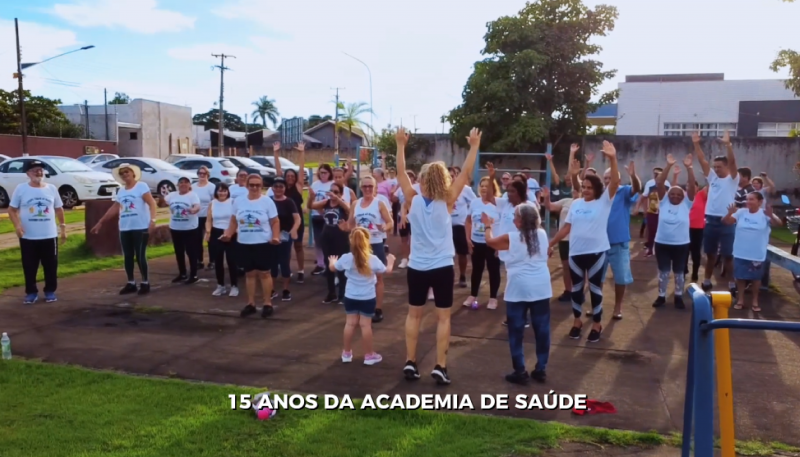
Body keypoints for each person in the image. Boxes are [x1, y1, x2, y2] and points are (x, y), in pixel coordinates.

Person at [396, 126, 480, 385]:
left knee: (414, 315)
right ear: (443, 179)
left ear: (422, 179)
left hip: (417, 267)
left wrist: (400, 145)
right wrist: (474, 146)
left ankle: (410, 361)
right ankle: (440, 366)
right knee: (443, 318)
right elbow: (465, 173)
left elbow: (401, 173)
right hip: (442, 266)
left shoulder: (412, 199)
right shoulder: (449, 199)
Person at [548, 141, 620, 343]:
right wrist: (551, 243)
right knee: (576, 289)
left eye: (590, 187)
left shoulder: (604, 201)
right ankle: (577, 321)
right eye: (584, 187)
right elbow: (566, 228)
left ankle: (596, 323)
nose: (586, 190)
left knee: (595, 289)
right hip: (575, 253)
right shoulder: (576, 204)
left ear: (597, 189)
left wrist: (613, 158)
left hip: (597, 253)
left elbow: (615, 182)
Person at [482, 204, 551, 384]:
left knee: (516, 331)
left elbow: (490, 241)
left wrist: (488, 225)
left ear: (521, 221)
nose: (513, 220)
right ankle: (541, 368)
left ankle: (520, 370)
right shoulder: (542, 234)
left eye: (515, 217)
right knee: (542, 329)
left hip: (518, 288)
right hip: (541, 287)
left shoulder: (511, 237)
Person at [330, 227, 395, 365]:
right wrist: (391, 260)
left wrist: (332, 262)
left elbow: (333, 268)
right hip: (367, 297)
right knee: (366, 326)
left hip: (350, 296)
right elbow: (387, 271)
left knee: (350, 324)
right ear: (367, 241)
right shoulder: (373, 259)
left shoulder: (346, 258)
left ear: (351, 241)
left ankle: (346, 353)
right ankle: (369, 355)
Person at [91, 163, 157, 295]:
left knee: (140, 255)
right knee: (127, 255)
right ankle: (131, 282)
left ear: (133, 173)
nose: (125, 175)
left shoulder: (141, 186)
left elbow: (152, 203)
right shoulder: (121, 191)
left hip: (140, 226)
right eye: (122, 173)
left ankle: (145, 282)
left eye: (127, 172)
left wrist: (153, 220)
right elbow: (115, 208)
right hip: (125, 227)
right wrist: (100, 222)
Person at [221, 174, 280, 318]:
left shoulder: (267, 201)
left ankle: (267, 303)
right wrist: (228, 234)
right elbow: (234, 221)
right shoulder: (239, 201)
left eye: (257, 185)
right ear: (247, 186)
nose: (254, 187)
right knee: (250, 273)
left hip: (263, 243)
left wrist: (275, 236)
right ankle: (251, 303)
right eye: (251, 185)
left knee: (264, 273)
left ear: (262, 186)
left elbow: (275, 221)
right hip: (244, 242)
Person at [8, 160, 67, 304]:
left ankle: (50, 291)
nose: (39, 173)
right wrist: (17, 226)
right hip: (28, 236)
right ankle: (31, 292)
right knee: (29, 265)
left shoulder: (51, 188)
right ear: (28, 173)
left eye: (40, 170)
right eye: (35, 170)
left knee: (51, 265)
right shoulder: (21, 189)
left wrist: (63, 228)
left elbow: (59, 209)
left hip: (49, 235)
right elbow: (12, 210)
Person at [693, 131, 740, 294]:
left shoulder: (733, 179)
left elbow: (733, 162)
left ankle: (732, 283)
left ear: (726, 167)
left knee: (728, 255)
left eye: (719, 167)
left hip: (727, 220)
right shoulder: (712, 178)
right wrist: (696, 144)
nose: (716, 169)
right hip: (711, 220)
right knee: (710, 253)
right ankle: (706, 280)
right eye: (715, 167)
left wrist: (728, 145)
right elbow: (702, 160)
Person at [723, 193, 782, 312]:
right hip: (740, 252)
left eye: (752, 199)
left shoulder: (765, 214)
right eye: (747, 199)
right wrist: (729, 213)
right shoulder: (741, 212)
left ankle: (755, 301)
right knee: (740, 277)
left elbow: (779, 224)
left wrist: (771, 215)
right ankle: (740, 300)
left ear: (760, 202)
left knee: (756, 279)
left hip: (757, 253)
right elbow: (726, 222)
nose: (748, 201)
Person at [652, 154, 696, 309]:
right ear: (667, 195)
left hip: (681, 245)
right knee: (663, 272)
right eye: (672, 194)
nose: (675, 196)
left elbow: (692, 186)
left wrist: (689, 168)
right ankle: (661, 296)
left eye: (679, 194)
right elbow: (660, 183)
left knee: (679, 272)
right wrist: (669, 166)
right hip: (662, 244)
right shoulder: (663, 202)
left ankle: (678, 296)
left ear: (683, 196)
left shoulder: (686, 204)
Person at [599, 160, 641, 320]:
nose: (607, 181)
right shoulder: (600, 194)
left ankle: (618, 307)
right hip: (599, 243)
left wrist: (633, 176)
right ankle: (597, 305)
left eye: (610, 178)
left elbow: (636, 188)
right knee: (597, 278)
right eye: (605, 178)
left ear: (618, 180)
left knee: (621, 278)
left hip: (619, 243)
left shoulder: (623, 191)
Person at [348, 175, 393, 323]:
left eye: (370, 186)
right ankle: (362, 306)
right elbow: (350, 223)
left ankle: (377, 309)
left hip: (375, 243)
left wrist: (384, 227)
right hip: (360, 245)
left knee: (378, 277)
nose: (367, 189)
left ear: (375, 188)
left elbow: (390, 222)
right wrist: (351, 232)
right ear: (361, 188)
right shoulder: (355, 204)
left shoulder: (379, 203)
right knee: (359, 275)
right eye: (365, 186)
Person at [268, 141, 306, 283]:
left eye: (292, 176)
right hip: (282, 220)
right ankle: (286, 270)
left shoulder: (298, 186)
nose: (290, 177)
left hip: (296, 220)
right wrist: (276, 153)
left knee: (298, 246)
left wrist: (301, 153)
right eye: (287, 176)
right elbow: (278, 171)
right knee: (285, 247)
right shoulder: (281, 187)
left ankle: (301, 271)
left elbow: (301, 170)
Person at [464, 175, 500, 309]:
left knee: (493, 270)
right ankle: (473, 295)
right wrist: (468, 239)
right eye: (482, 186)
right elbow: (468, 221)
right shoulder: (474, 202)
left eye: (487, 186)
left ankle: (493, 298)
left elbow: (503, 224)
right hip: (476, 242)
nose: (484, 188)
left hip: (493, 242)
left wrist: (500, 245)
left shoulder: (498, 203)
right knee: (476, 269)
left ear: (493, 188)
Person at [312, 182, 351, 304]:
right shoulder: (326, 203)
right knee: (329, 265)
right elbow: (311, 206)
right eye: (331, 191)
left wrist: (338, 199)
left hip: (341, 238)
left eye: (336, 192)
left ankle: (343, 294)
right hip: (327, 237)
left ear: (341, 193)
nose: (333, 194)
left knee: (342, 266)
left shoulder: (342, 203)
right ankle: (331, 293)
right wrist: (311, 197)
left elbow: (349, 209)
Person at [158, 177, 201, 284]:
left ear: (189, 185)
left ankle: (194, 275)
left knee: (191, 252)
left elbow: (197, 206)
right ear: (178, 185)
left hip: (190, 228)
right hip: (176, 228)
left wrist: (193, 210)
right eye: (181, 182)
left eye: (186, 183)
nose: (183, 184)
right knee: (179, 252)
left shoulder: (193, 195)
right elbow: (162, 204)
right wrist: (161, 199)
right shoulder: (172, 195)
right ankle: (182, 273)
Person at [269, 177, 301, 301]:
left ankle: (286, 289)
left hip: (285, 236)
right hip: (271, 236)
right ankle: (271, 289)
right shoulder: (268, 201)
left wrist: (294, 230)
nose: (278, 189)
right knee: (272, 263)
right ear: (272, 188)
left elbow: (297, 218)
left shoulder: (289, 202)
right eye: (276, 186)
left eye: (281, 186)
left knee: (284, 263)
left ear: (285, 188)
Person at [204, 183, 239, 297]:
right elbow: (209, 220)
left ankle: (234, 286)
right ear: (216, 192)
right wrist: (208, 232)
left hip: (230, 232)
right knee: (218, 261)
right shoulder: (212, 203)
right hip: (216, 233)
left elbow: (237, 219)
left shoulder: (233, 202)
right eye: (220, 191)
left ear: (228, 192)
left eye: (224, 191)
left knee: (231, 260)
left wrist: (231, 232)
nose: (222, 193)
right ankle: (220, 285)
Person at [448, 167, 477, 287]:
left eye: (452, 176)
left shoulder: (466, 189)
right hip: (446, 226)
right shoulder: (442, 189)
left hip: (460, 225)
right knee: (447, 253)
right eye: (448, 176)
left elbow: (475, 204)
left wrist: (470, 219)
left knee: (462, 253)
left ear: (456, 176)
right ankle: (449, 277)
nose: (450, 179)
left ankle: (462, 276)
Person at [308, 164, 334, 275]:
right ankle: (320, 264)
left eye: (325, 173)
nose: (323, 175)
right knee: (318, 241)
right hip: (316, 216)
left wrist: (323, 211)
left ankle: (329, 264)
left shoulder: (332, 184)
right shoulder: (315, 184)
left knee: (328, 241)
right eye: (321, 172)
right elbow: (311, 199)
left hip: (328, 217)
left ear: (329, 173)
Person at [640, 167, 670, 257]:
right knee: (651, 230)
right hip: (652, 211)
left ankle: (661, 248)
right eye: (655, 174)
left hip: (663, 212)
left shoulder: (667, 184)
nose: (656, 175)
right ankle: (650, 248)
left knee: (662, 230)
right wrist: (643, 209)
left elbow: (671, 195)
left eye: (659, 174)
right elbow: (644, 197)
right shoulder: (650, 184)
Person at [194, 165, 216, 270]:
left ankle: (212, 261)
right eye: (200, 173)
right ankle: (200, 261)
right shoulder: (193, 187)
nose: (202, 175)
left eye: (204, 173)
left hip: (208, 217)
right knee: (197, 240)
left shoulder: (212, 187)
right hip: (196, 217)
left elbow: (215, 201)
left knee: (210, 239)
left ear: (208, 175)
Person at [394, 170, 417, 269]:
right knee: (404, 238)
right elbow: (394, 199)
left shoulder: (416, 188)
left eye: (411, 176)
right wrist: (396, 187)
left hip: (414, 216)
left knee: (413, 238)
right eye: (407, 176)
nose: (409, 178)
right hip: (402, 216)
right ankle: (404, 259)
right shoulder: (400, 189)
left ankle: (412, 258)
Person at [688, 185, 708, 282]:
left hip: (698, 228)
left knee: (695, 252)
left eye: (693, 186)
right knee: (684, 250)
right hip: (684, 228)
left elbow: (710, 185)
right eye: (688, 185)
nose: (690, 187)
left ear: (697, 188)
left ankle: (695, 273)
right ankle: (683, 270)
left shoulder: (701, 195)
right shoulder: (683, 196)